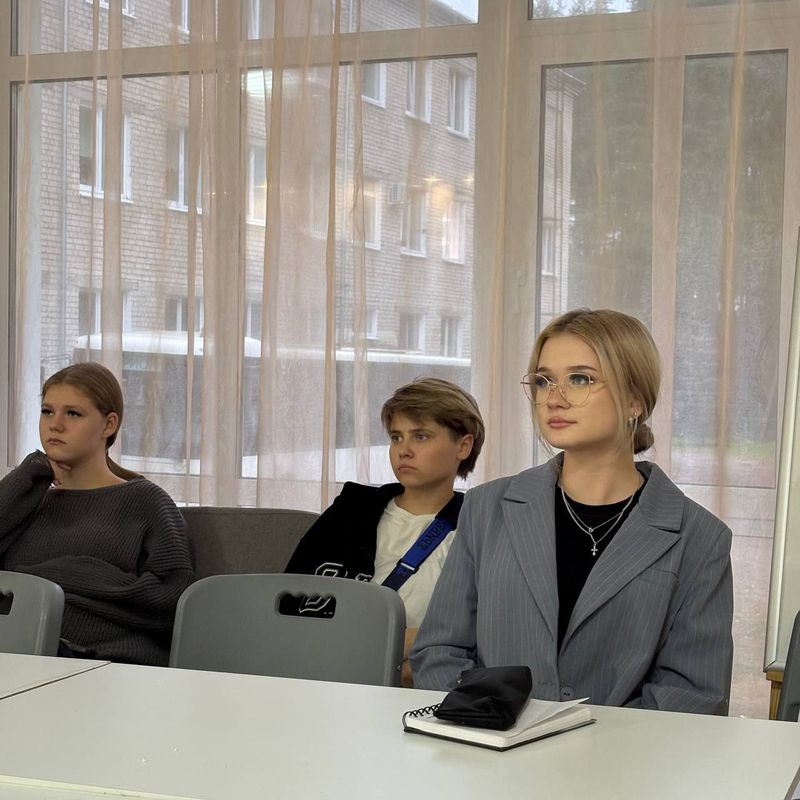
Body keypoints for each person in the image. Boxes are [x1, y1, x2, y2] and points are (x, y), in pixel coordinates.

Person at [411, 309, 734, 714]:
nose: (554, 398)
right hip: (489, 745)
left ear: (634, 400)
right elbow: (439, 652)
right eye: (543, 380)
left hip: (627, 754)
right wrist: (494, 725)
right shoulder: (486, 507)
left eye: (580, 379)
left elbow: (692, 696)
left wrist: (586, 742)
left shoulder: (700, 538)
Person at [285, 377, 485, 684]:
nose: (403, 450)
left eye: (421, 436)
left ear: (463, 445)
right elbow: (284, 606)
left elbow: (480, 637)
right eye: (396, 437)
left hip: (420, 691)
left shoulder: (479, 527)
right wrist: (407, 643)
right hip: (316, 680)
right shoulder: (349, 512)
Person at [0, 362, 194, 666]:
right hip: (17, 653)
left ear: (109, 425)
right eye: (47, 411)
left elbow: (175, 600)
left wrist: (61, 575)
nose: (55, 425)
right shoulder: (27, 499)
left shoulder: (145, 500)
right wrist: (27, 474)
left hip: (100, 660)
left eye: (73, 414)